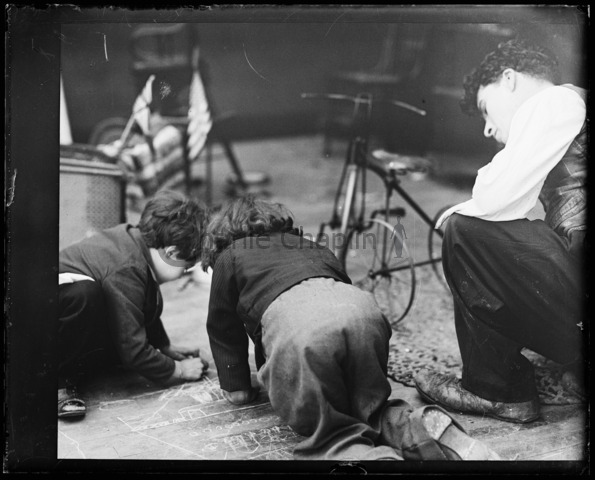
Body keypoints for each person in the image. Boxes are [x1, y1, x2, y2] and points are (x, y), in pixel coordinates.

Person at [201, 195, 500, 461]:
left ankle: (367, 457)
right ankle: (418, 428)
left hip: (303, 331)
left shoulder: (232, 255)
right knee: (368, 407)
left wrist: (237, 386)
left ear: (224, 235)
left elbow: (223, 328)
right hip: (363, 314)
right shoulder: (310, 246)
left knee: (330, 429)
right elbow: (337, 289)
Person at [414, 39, 587, 424]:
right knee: (480, 230)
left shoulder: (556, 102)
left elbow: (494, 198)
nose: (489, 127)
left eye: (484, 109)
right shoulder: (570, 112)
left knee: (464, 230)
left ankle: (494, 389)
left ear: (509, 79)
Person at [58, 189, 210, 419]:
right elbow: (134, 350)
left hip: (58, 321)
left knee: (100, 304)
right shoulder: (127, 267)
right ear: (172, 252)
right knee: (85, 295)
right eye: (189, 265)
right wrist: (178, 370)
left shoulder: (135, 242)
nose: (186, 272)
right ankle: (58, 384)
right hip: (40, 336)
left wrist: (163, 346)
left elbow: (137, 305)